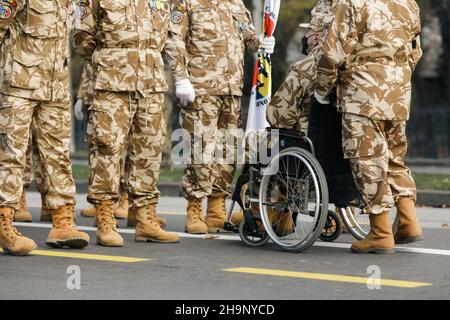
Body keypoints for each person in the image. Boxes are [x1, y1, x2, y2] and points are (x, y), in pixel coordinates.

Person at [315, 0, 424, 254]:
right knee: (395, 157)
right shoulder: (408, 3)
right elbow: (415, 51)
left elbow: (332, 53)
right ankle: (408, 221)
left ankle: (380, 233)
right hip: (397, 92)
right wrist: (395, 76)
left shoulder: (351, 3)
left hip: (362, 93)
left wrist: (323, 89)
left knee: (367, 160)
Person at [72, 0, 180, 247]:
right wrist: (112, 59)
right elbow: (81, 38)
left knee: (149, 151)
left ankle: (145, 218)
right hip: (113, 84)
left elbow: (168, 36)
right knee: (107, 149)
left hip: (151, 84)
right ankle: (105, 219)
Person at [165, 0, 276, 234]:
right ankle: (194, 208)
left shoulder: (234, 3)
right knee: (200, 150)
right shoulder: (188, 3)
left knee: (228, 151)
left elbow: (248, 38)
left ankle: (216, 209)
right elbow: (174, 40)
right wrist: (181, 77)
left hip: (231, 89)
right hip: (201, 88)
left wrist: (263, 43)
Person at [0, 0, 90, 256]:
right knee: (12, 156)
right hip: (20, 85)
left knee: (58, 156)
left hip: (56, 88)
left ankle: (63, 222)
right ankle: (4, 221)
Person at [267, 0, 334, 133]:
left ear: (316, 37)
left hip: (304, 144)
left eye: (308, 30)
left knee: (250, 141)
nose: (304, 36)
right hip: (339, 147)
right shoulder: (352, 67)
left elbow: (277, 117)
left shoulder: (304, 68)